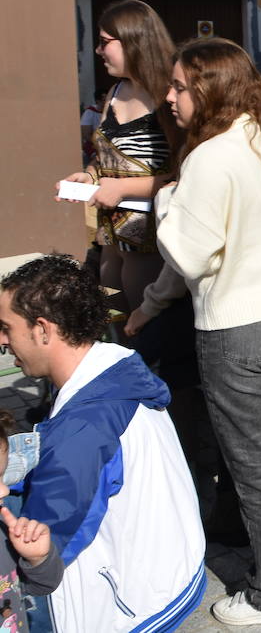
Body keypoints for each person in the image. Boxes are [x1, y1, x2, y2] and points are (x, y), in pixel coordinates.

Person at [155, 38, 261, 625]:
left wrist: (165, 202)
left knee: (256, 464)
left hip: (241, 327)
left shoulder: (210, 158)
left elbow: (189, 255)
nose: (169, 97)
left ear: (209, 89)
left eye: (178, 87)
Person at [1, 254, 204, 631]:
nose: (2, 340)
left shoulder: (82, 432)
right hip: (175, 571)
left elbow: (47, 552)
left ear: (43, 330)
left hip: (129, 609)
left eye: (6, 328)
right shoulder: (116, 369)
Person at [58, 0, 177, 316]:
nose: (98, 50)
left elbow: (187, 175)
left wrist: (123, 190)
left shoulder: (171, 96)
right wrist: (90, 176)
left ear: (133, 39)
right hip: (110, 239)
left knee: (148, 336)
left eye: (104, 42)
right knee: (115, 328)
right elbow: (107, 156)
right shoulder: (115, 91)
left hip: (152, 242)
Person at [0, 409, 65, 626]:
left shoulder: (4, 532)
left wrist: (37, 560)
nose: (5, 491)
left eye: (2, 476)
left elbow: (39, 588)